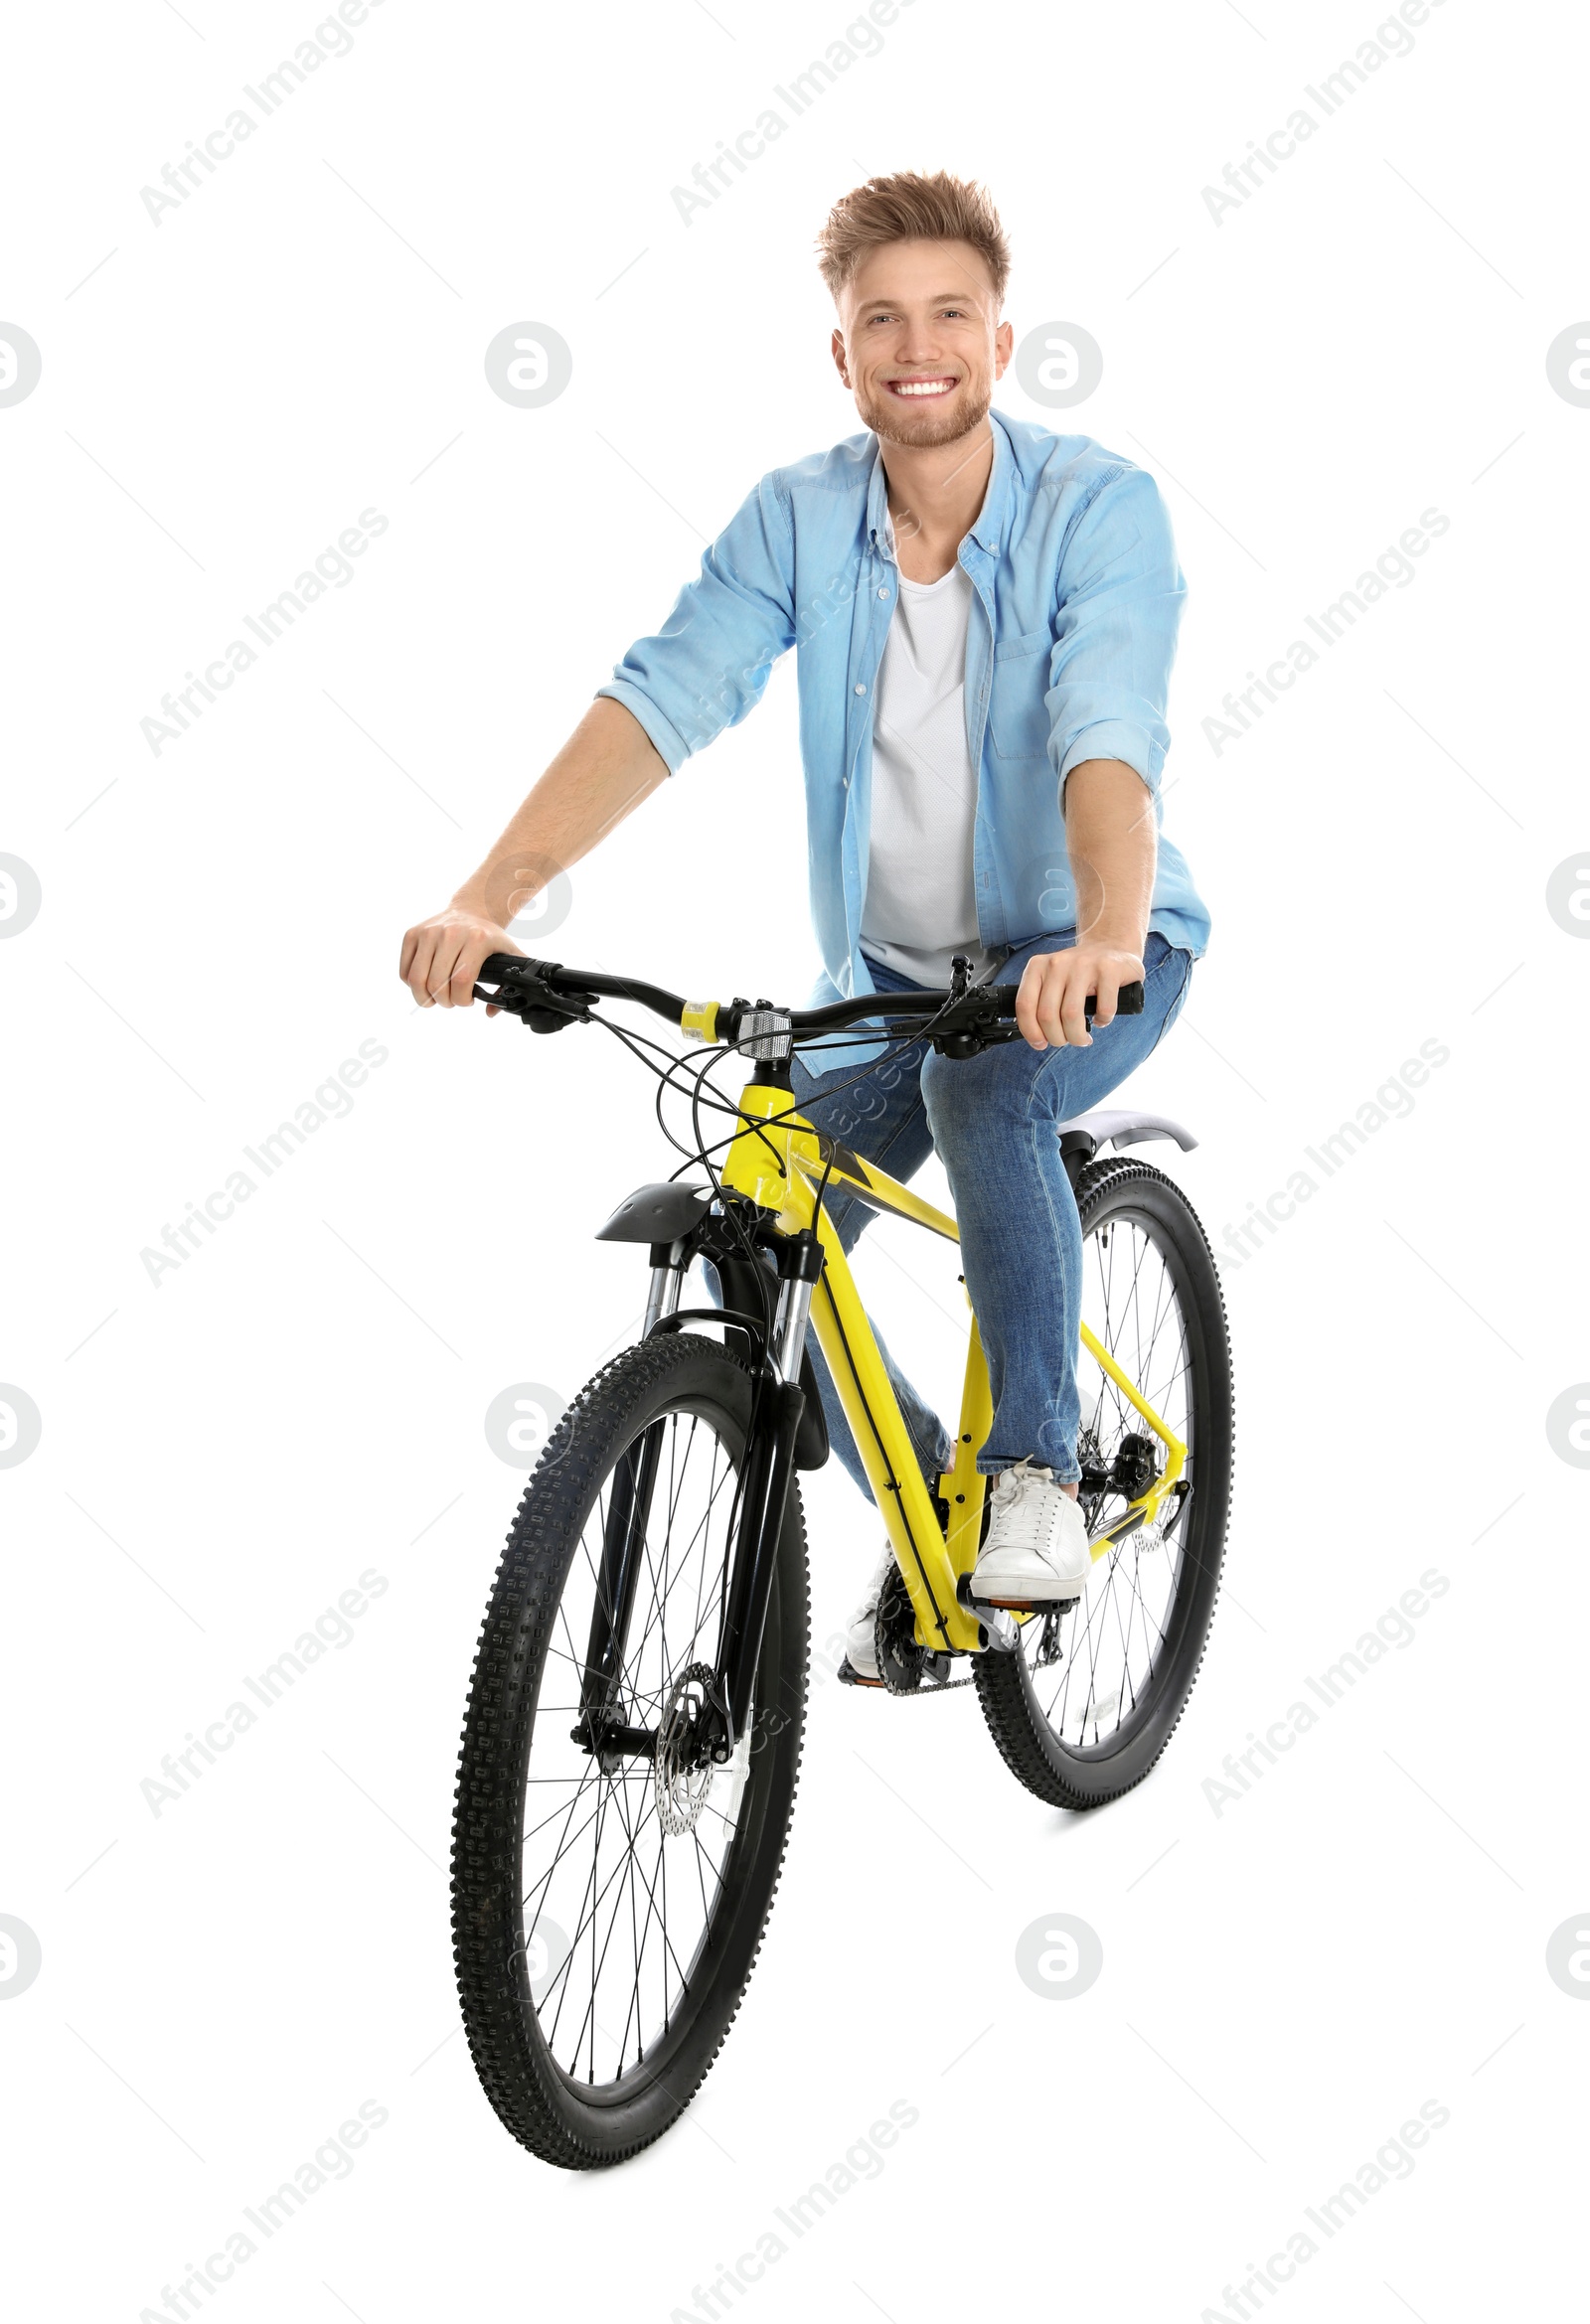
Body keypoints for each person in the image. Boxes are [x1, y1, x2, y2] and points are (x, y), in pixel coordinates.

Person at [399, 171, 1208, 1682]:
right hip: (898, 983)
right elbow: (664, 695)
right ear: (840, 357)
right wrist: (486, 900)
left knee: (991, 1085)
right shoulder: (797, 516)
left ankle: (1033, 1473)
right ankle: (935, 1530)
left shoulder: (1101, 507)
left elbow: (1110, 733)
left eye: (949, 314)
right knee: (760, 1234)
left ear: (1001, 339)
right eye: (880, 320)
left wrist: (1099, 933)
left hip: (1103, 949)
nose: (919, 346)